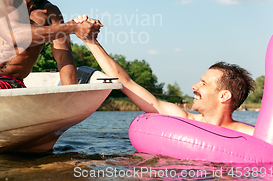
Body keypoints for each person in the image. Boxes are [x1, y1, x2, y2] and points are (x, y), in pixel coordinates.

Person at [72, 15, 256, 136]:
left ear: (224, 95)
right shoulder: (182, 119)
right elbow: (126, 82)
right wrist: (91, 41)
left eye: (204, 83)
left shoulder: (250, 134)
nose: (194, 86)